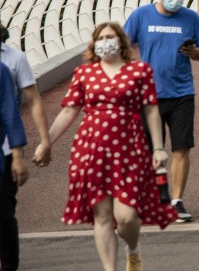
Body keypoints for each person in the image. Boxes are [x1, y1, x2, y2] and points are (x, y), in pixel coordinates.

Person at [44, 23, 176, 271]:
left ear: (121, 41)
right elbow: (70, 110)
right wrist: (46, 141)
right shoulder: (84, 73)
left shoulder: (139, 71)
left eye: (111, 37)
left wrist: (158, 148)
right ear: (94, 43)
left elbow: (150, 109)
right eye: (101, 38)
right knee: (102, 216)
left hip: (129, 150)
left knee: (126, 218)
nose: (106, 41)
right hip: (90, 151)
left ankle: (133, 250)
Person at [123, 0, 199, 223]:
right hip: (148, 96)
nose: (176, 1)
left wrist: (193, 51)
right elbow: (124, 46)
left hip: (182, 92)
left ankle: (176, 200)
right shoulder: (141, 16)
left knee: (182, 147)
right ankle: (155, 197)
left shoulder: (191, 18)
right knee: (149, 150)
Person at [1, 21, 49, 271]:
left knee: (4, 212)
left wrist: (44, 140)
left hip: (5, 150)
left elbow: (20, 107)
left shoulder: (11, 62)